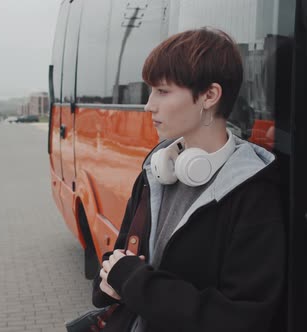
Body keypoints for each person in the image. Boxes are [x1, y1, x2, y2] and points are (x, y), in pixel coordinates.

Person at [92, 27, 285, 332]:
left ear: (209, 95)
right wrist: (113, 279)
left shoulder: (253, 193)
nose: (148, 105)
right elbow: (118, 260)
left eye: (163, 91)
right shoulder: (156, 171)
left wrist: (132, 281)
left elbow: (241, 318)